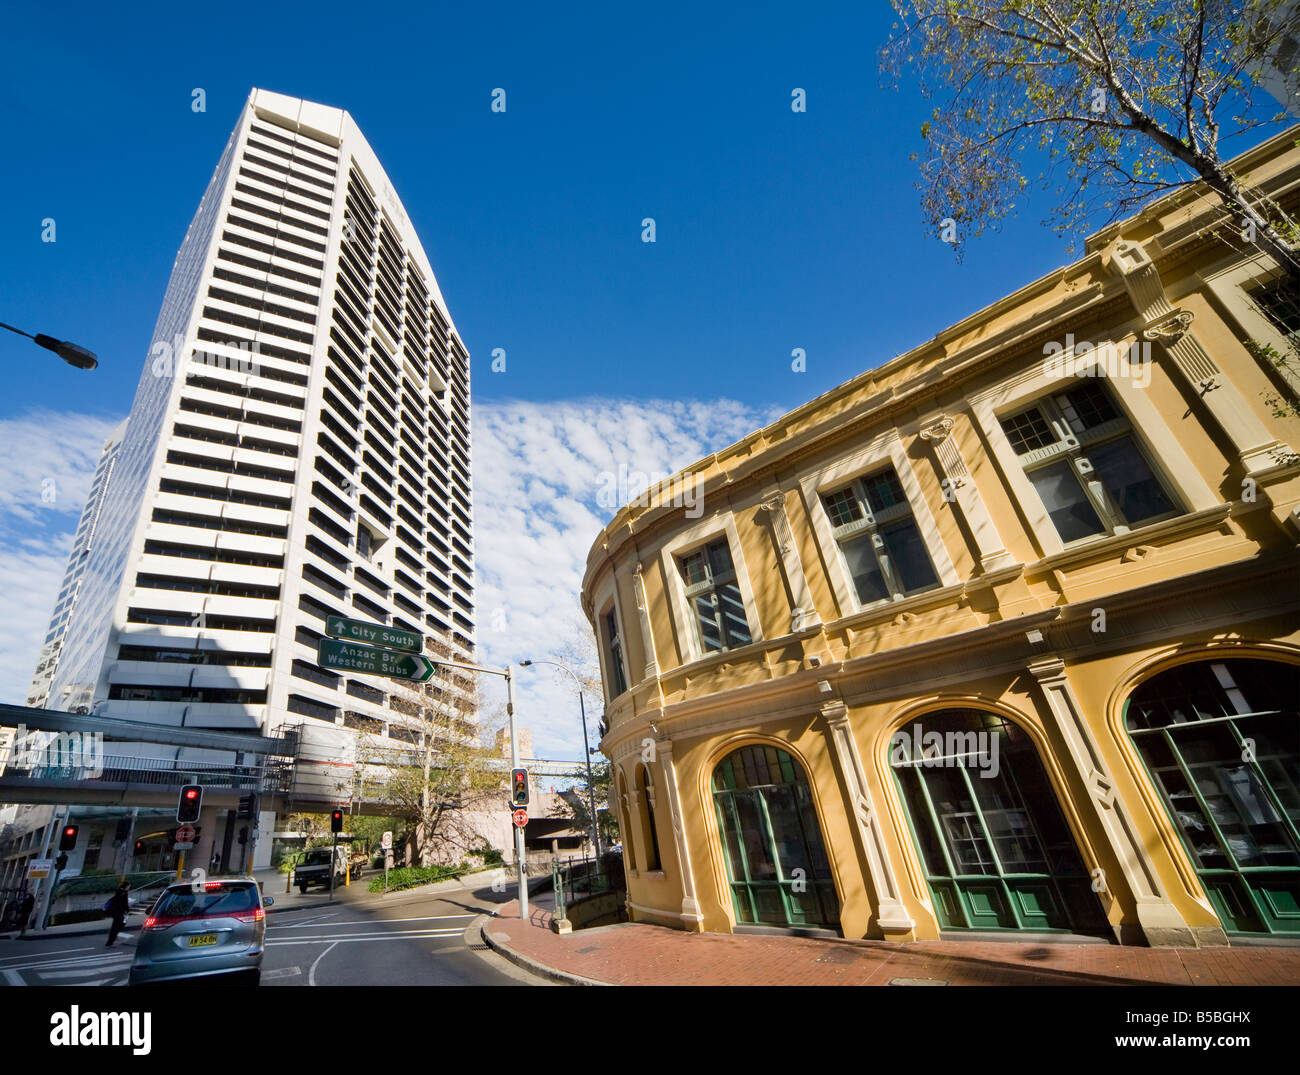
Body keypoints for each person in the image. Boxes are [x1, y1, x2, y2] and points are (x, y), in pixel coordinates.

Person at [105, 880, 130, 946]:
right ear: (126, 886)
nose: (129, 888)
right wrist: (127, 910)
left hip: (115, 912)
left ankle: (112, 939)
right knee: (119, 925)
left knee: (116, 926)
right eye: (128, 886)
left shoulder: (118, 892)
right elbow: (124, 903)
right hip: (119, 912)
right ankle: (110, 941)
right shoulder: (124, 893)